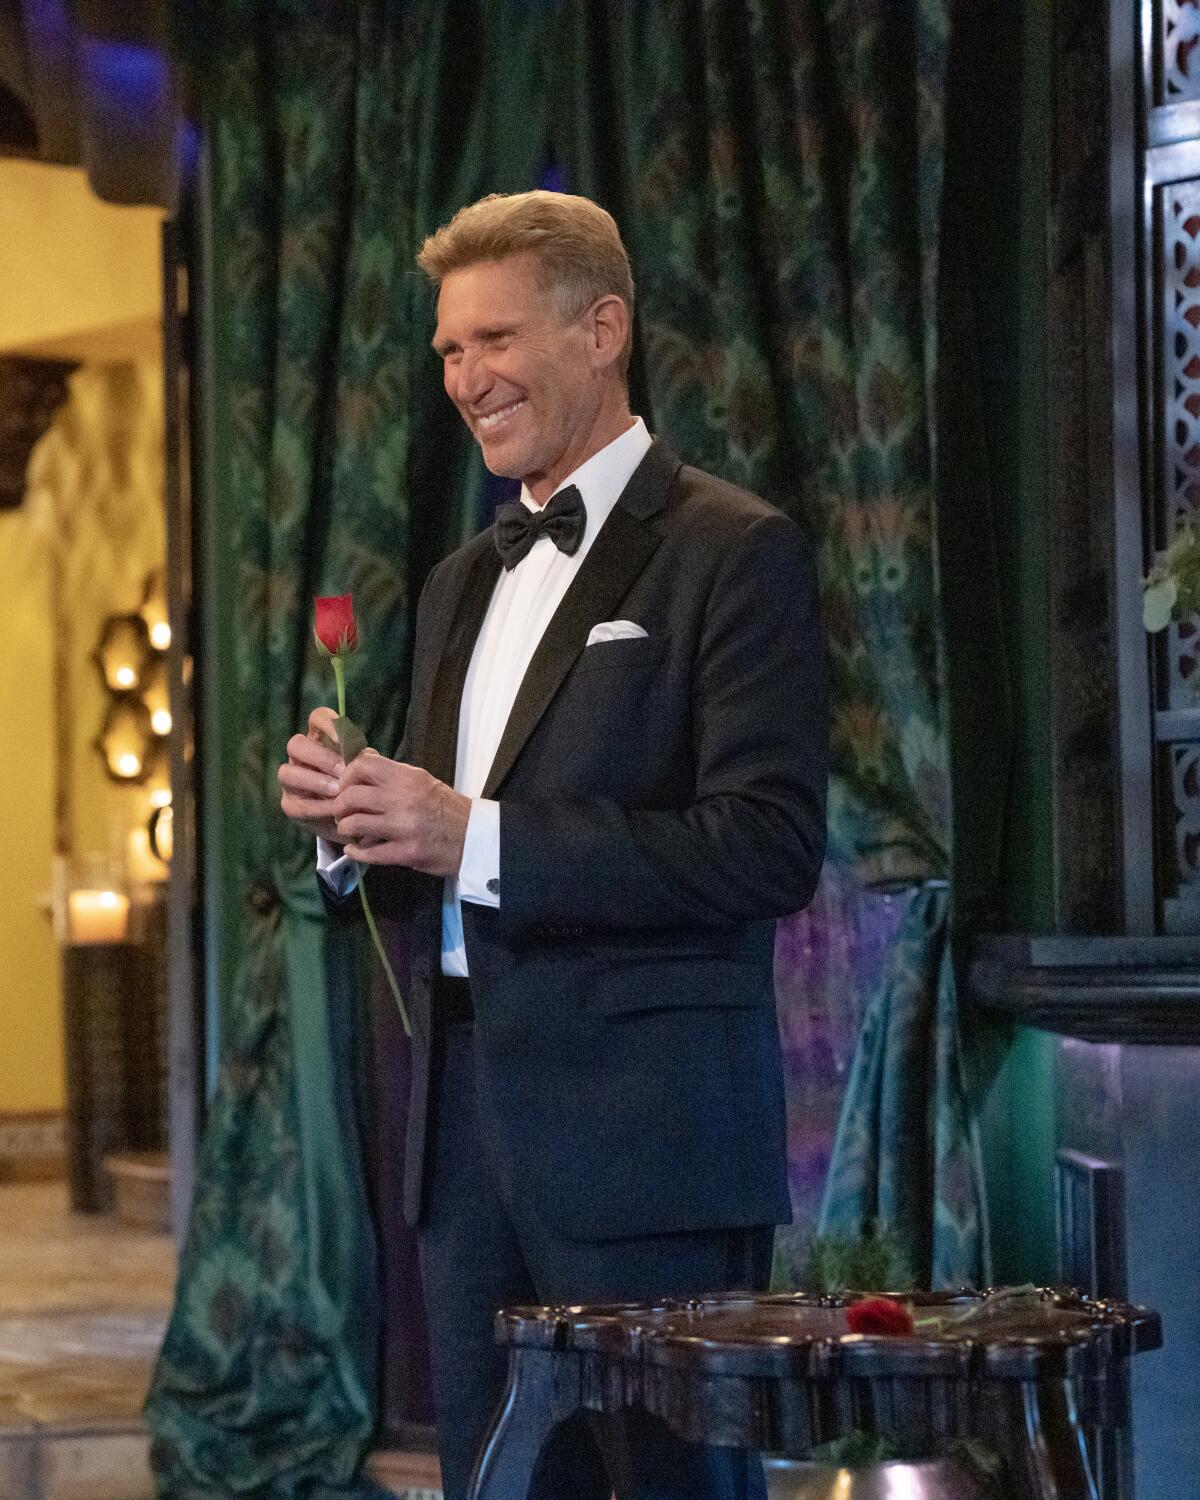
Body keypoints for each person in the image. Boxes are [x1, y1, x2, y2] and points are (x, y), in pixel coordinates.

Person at [277, 190, 827, 1500]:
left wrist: (478, 833)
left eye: (496, 339)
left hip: (650, 1141)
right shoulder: (463, 578)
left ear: (602, 329)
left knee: (669, 1486)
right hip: (462, 1134)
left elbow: (767, 846)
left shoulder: (734, 550)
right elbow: (440, 845)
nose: (467, 379)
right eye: (450, 351)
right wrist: (352, 827)